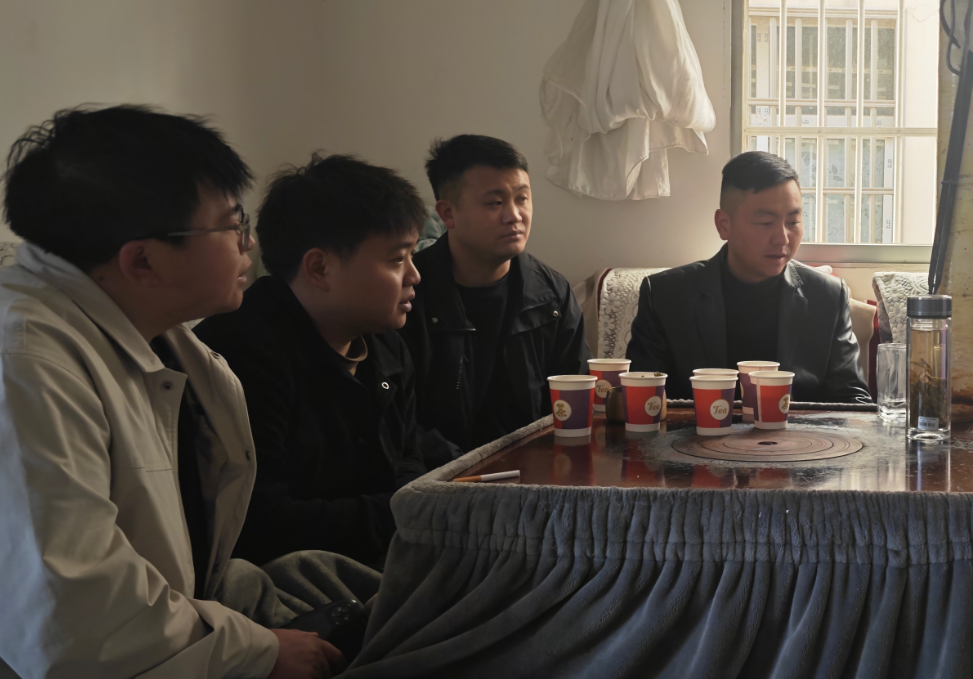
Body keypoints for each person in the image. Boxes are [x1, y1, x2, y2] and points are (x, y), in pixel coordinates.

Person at [0, 106, 343, 678]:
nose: (249, 243)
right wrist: (256, 652)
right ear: (143, 260)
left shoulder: (156, 334)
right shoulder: (24, 365)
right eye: (232, 226)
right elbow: (73, 618)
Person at [194, 154, 427, 569]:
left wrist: (414, 506)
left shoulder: (385, 342)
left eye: (412, 256)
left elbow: (407, 458)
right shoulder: (239, 354)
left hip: (386, 561)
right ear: (319, 268)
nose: (414, 275)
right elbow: (260, 522)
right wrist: (410, 512)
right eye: (397, 259)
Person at [400, 134, 591, 459]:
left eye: (522, 198)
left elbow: (574, 396)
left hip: (535, 472)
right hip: (436, 476)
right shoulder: (408, 292)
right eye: (494, 203)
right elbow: (398, 420)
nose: (514, 215)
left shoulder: (551, 294)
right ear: (448, 213)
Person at [626, 151, 871, 403]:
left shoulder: (827, 296)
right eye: (765, 222)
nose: (782, 238)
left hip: (799, 430)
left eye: (793, 222)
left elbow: (852, 401)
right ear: (724, 225)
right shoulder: (665, 296)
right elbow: (641, 399)